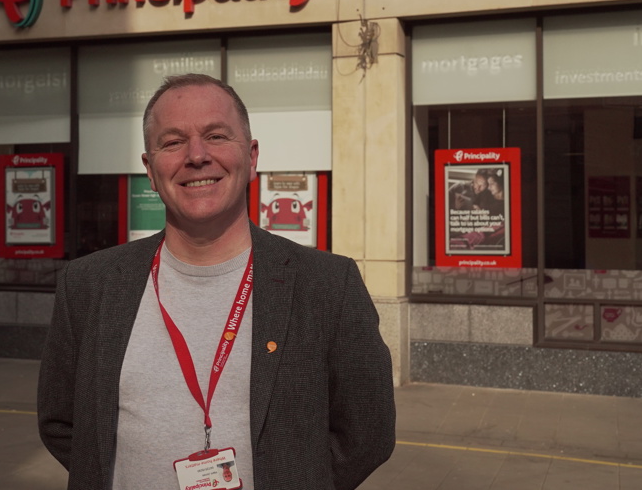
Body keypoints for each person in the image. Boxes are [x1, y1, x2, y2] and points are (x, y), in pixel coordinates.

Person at [38, 73, 395, 490]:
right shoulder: (88, 285)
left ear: (252, 156)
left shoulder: (329, 286)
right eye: (172, 142)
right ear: (150, 170)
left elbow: (368, 433)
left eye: (216, 135)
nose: (197, 155)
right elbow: (62, 424)